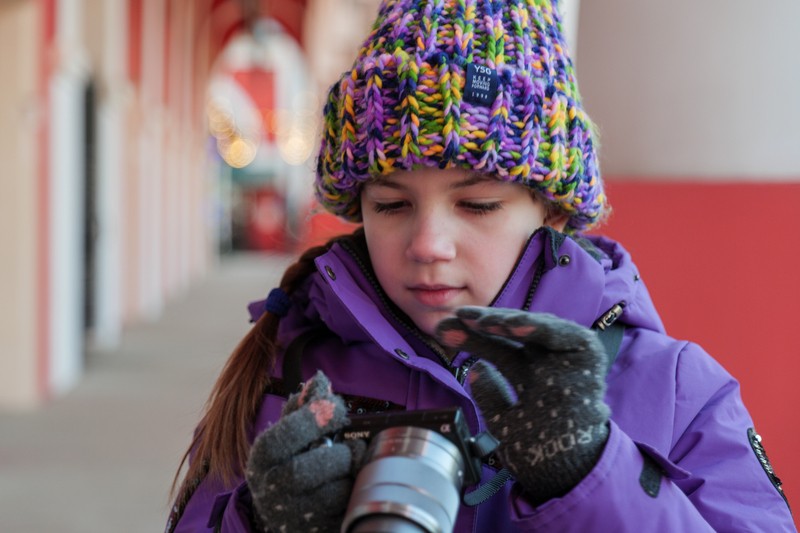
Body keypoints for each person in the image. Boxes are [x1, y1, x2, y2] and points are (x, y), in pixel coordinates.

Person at [166, 0, 795, 531]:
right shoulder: (286, 372)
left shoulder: (676, 392)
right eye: (391, 203)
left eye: (478, 203)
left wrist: (593, 476)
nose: (428, 243)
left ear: (552, 212)